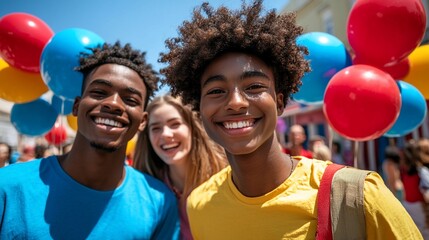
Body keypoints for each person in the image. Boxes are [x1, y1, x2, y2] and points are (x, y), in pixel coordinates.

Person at [159, 1, 422, 239]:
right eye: (216, 91)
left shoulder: (360, 197)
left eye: (253, 86)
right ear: (199, 108)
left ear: (281, 101)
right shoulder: (199, 206)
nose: (236, 102)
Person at [0, 41, 180, 239]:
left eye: (130, 100)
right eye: (99, 92)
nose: (113, 104)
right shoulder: (8, 186)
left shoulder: (160, 202)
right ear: (76, 106)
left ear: (143, 122)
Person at [133, 95, 228, 240]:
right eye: (156, 128)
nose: (166, 134)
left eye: (175, 124)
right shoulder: (148, 191)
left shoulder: (227, 177)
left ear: (192, 127)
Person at [400, 140, 429, 238]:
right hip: (419, 207)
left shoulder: (405, 172)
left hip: (408, 205)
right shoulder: (421, 171)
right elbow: (426, 190)